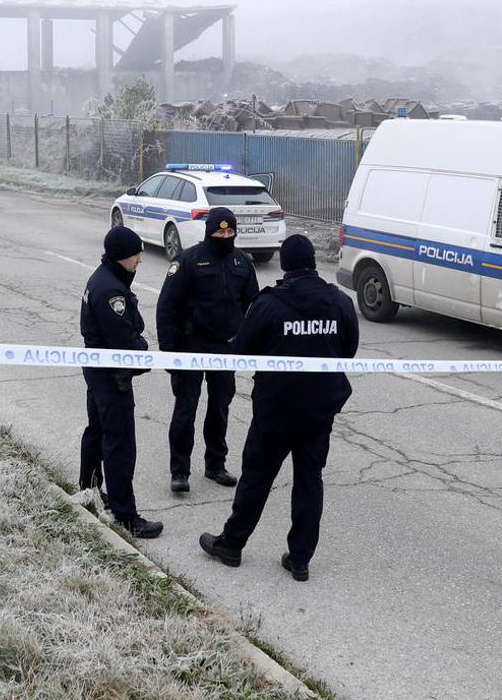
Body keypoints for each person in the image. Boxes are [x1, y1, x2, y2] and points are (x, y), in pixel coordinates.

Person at [199, 234, 358, 582]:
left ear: (285, 265)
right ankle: (300, 558)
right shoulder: (340, 302)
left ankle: (232, 544)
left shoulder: (269, 305)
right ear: (314, 263)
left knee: (256, 478)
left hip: (276, 410)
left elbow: (242, 353)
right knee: (309, 480)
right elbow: (349, 351)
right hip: (319, 411)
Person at [156, 206, 259, 493]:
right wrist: (169, 351)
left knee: (220, 409)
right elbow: (167, 306)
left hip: (225, 349)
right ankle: (180, 471)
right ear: (209, 231)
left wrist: (247, 342)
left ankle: (216, 464)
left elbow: (254, 306)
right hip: (191, 347)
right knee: (185, 410)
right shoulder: (188, 260)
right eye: (219, 230)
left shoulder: (242, 262)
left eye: (230, 231)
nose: (225, 235)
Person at [78, 225, 163, 539]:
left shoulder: (104, 278)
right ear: (120, 256)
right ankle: (124, 513)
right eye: (135, 254)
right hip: (112, 375)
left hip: (99, 370)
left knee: (97, 430)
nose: (139, 260)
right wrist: (143, 352)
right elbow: (125, 341)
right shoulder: (111, 290)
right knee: (120, 443)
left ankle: (88, 489)